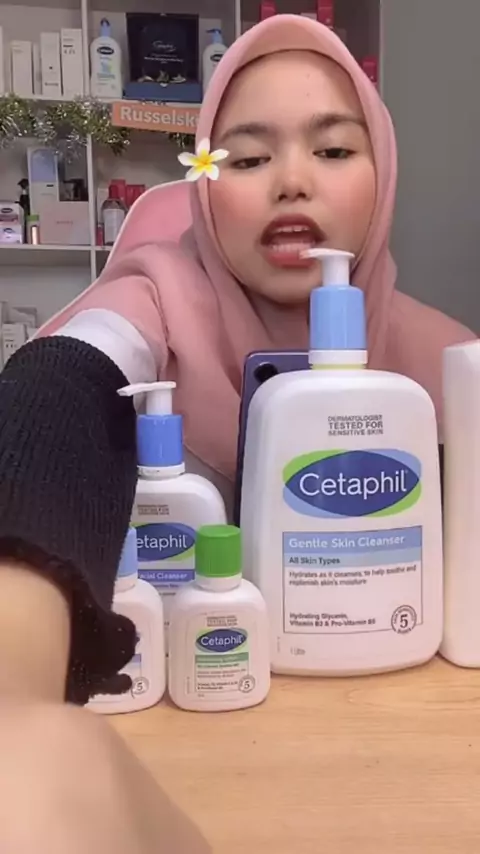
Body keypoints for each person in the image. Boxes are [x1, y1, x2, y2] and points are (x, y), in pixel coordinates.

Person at [0, 14, 475, 703]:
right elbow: (65, 385)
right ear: (204, 188)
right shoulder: (154, 296)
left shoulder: (446, 360)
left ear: (385, 176)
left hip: (400, 701)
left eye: (334, 150)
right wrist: (19, 677)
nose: (292, 181)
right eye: (248, 160)